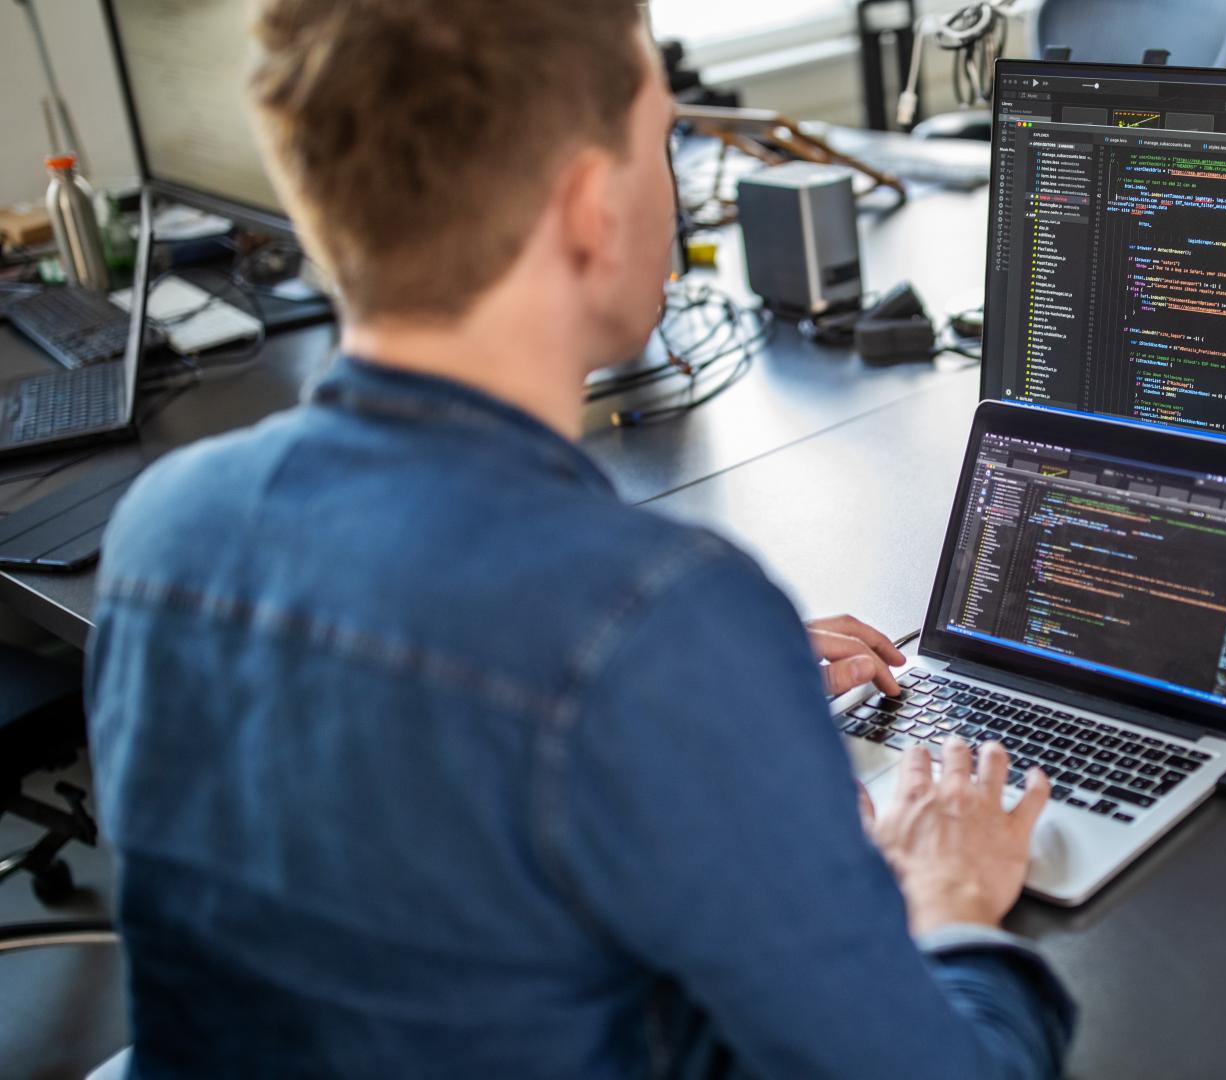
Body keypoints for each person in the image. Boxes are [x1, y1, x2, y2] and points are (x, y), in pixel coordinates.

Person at [83, 1, 1073, 1076]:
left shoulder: (164, 526)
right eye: (662, 145)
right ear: (590, 207)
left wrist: (702, 705)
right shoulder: (654, 615)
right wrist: (951, 901)